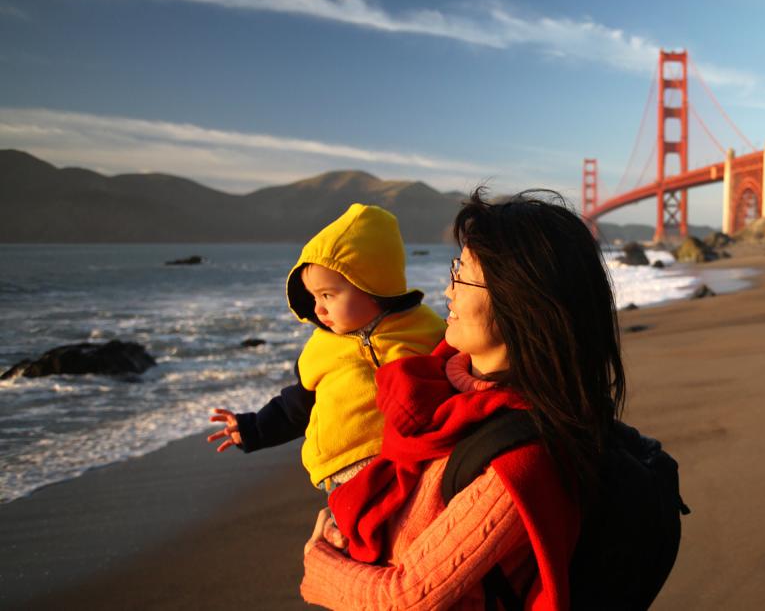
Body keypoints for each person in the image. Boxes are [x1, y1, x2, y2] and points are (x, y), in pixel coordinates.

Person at [300, 189, 626, 610]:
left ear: (521, 302)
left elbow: (406, 598)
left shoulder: (521, 460)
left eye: (465, 274)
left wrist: (319, 563)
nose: (448, 290)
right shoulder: (434, 388)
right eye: (455, 266)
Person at [206, 203, 446, 493]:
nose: (318, 308)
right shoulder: (321, 349)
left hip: (413, 459)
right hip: (344, 471)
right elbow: (294, 407)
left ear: (372, 285)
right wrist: (252, 429)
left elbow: (458, 374)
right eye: (313, 296)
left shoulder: (425, 329)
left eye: (327, 295)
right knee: (351, 534)